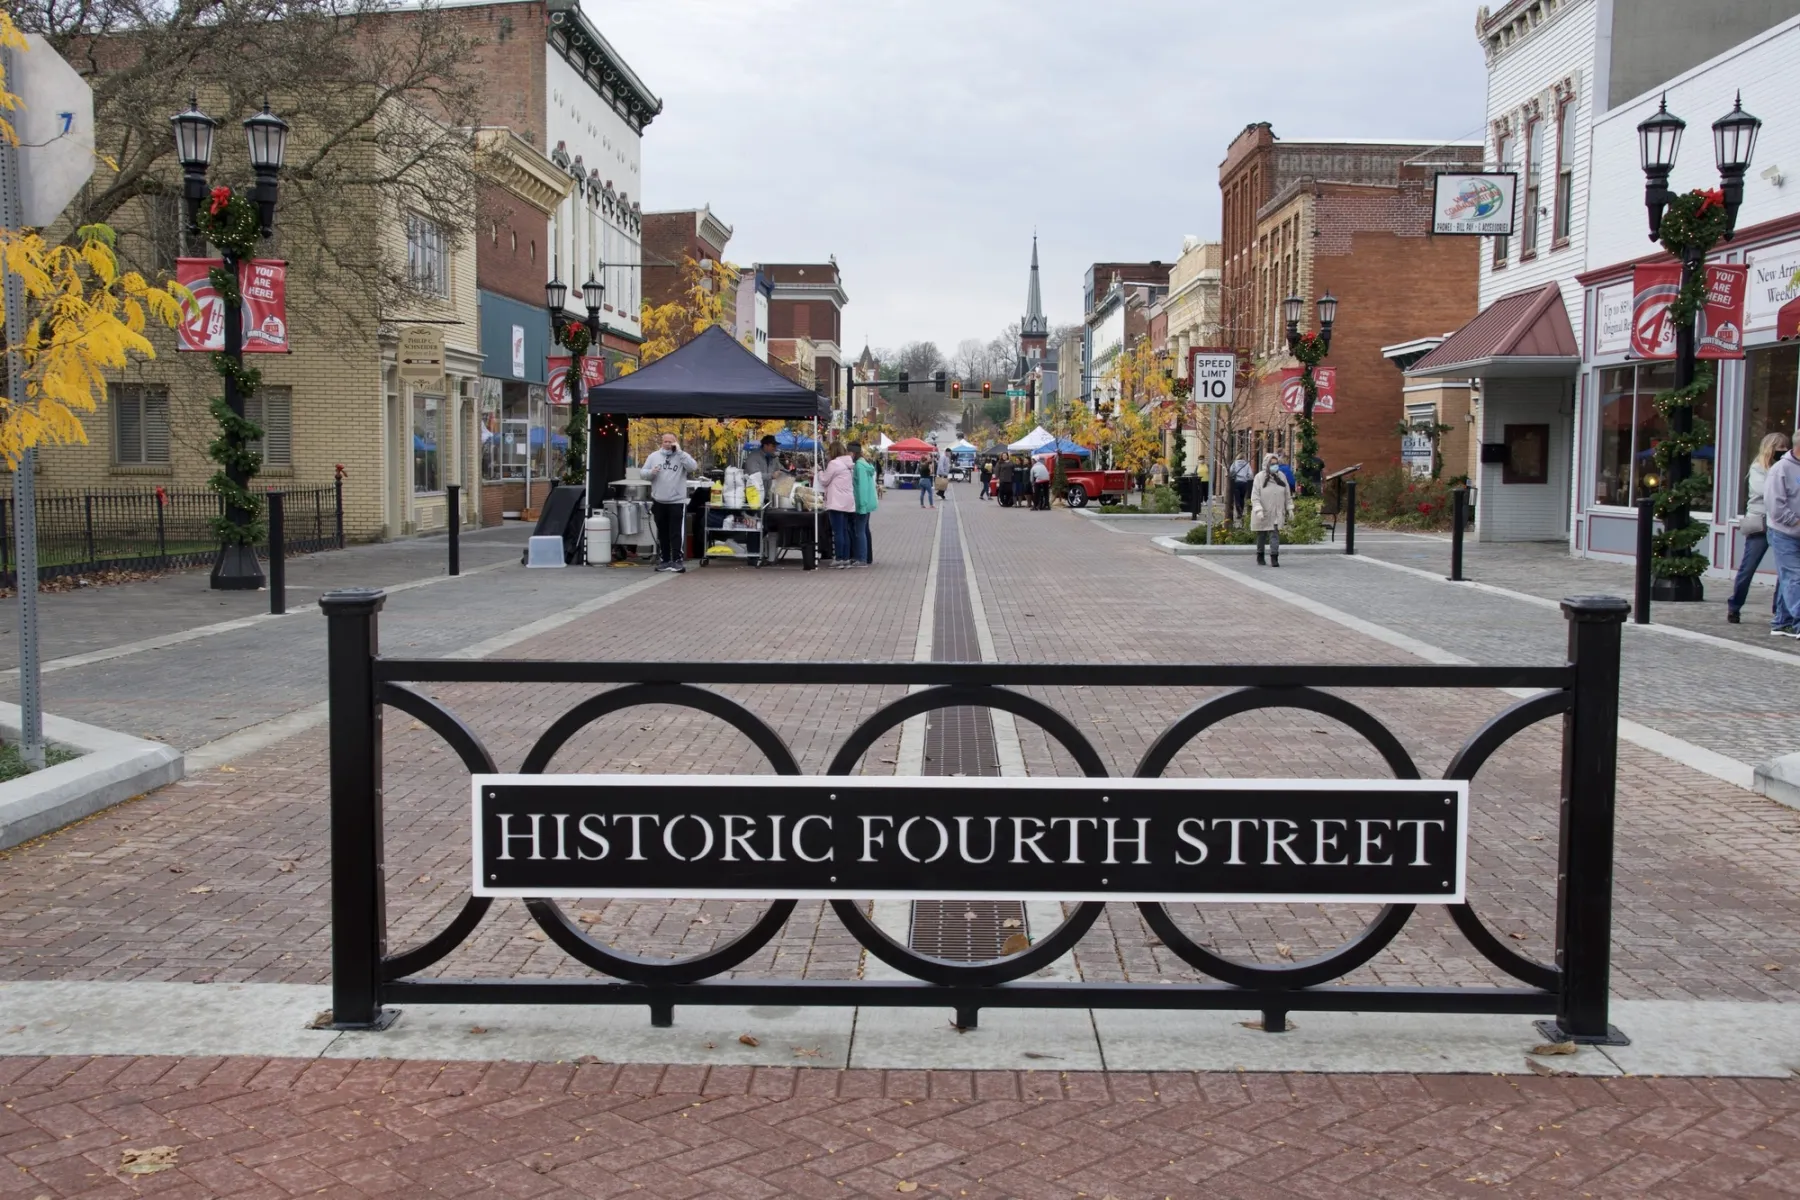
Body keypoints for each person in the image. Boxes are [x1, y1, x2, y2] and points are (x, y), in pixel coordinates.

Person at [1731, 432, 1789, 624]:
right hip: (1761, 523)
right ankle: (1735, 605)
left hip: (1781, 524)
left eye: (1785, 447)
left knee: (1784, 570)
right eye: (1778, 448)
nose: (1782, 451)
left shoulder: (1787, 468)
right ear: (1769, 448)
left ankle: (1778, 609)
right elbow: (1765, 492)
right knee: (1748, 567)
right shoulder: (1758, 468)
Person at [646, 432, 698, 573]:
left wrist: (680, 452)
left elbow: (693, 467)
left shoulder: (681, 456)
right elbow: (643, 473)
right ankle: (665, 560)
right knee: (662, 531)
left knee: (675, 531)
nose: (668, 444)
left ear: (675, 442)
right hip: (659, 500)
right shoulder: (653, 456)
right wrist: (651, 472)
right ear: (661, 442)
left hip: (676, 500)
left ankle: (677, 560)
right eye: (665, 441)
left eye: (671, 441)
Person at [1764, 437, 1800, 635]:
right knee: (1795, 577)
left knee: (1788, 578)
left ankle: (1781, 621)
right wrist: (1795, 521)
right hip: (1784, 533)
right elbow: (1776, 507)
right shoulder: (1780, 470)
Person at [818, 440, 858, 568]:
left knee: (838, 531)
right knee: (844, 531)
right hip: (847, 501)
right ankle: (846, 557)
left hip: (836, 502)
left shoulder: (834, 464)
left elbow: (824, 480)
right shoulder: (848, 464)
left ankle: (839, 558)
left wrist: (819, 472)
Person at [1250, 452, 1292, 567]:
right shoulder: (1259, 477)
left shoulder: (1281, 476)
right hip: (1264, 511)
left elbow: (1287, 493)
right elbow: (1255, 496)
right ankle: (1260, 555)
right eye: (1272, 464)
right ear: (1267, 464)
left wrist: (1289, 508)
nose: (1275, 466)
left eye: (1276, 463)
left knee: (1274, 534)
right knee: (1262, 534)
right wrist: (1258, 510)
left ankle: (1274, 557)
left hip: (1276, 511)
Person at [850, 440, 877, 566]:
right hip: (868, 502)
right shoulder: (865, 464)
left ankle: (862, 558)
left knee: (859, 531)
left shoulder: (859, 466)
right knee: (865, 529)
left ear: (853, 453)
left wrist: (861, 504)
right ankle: (867, 556)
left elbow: (862, 487)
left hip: (863, 502)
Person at [1229, 454, 1253, 520]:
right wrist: (1248, 478)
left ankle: (1238, 512)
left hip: (1236, 482)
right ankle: (1241, 512)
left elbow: (1231, 472)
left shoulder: (1234, 464)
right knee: (1242, 498)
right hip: (1244, 483)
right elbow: (1250, 474)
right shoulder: (1246, 464)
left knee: (1237, 498)